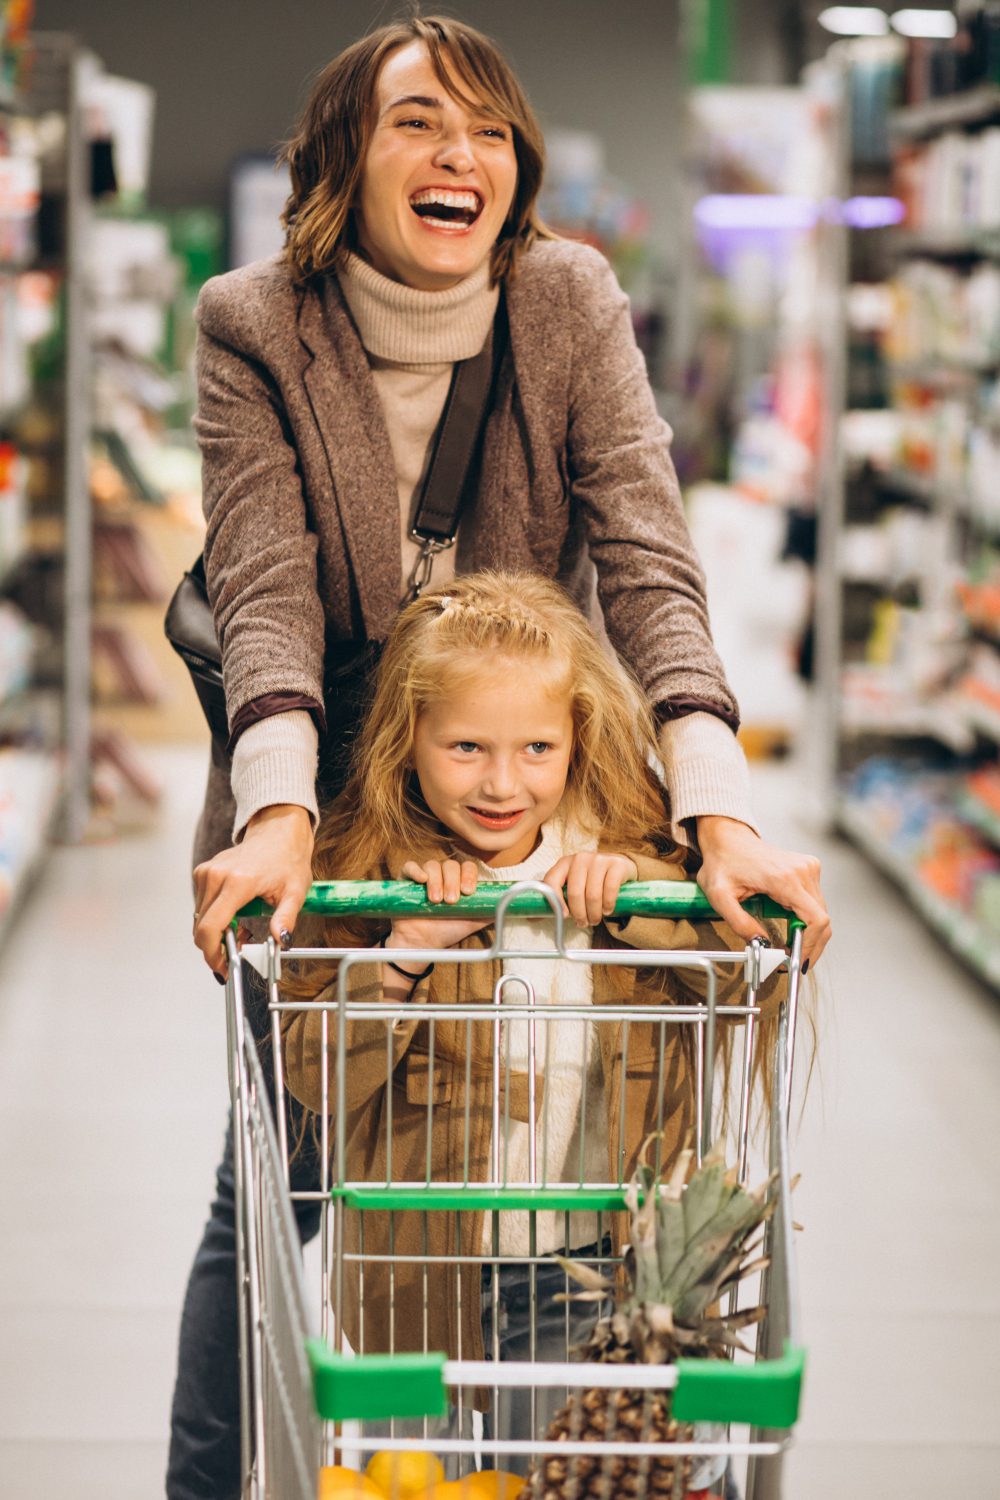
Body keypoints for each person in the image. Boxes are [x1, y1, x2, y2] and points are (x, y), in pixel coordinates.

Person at [172, 15, 829, 1496]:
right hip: (335, 817)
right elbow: (266, 594)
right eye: (415, 122)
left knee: (567, 1144)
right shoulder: (253, 325)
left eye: (486, 129)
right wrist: (277, 817)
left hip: (541, 785)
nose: (456, 152)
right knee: (279, 1187)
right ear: (343, 158)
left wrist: (716, 813)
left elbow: (649, 558)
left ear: (517, 165)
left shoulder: (565, 299)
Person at [278, 570, 787, 1478]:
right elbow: (311, 1077)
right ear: (408, 741)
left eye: (537, 748)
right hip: (414, 1278)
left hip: (590, 1275)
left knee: (559, 1479)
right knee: (409, 1487)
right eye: (466, 746)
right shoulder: (363, 872)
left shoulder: (634, 864)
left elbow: (757, 978)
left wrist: (640, 900)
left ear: (577, 739)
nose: (502, 782)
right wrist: (403, 952)